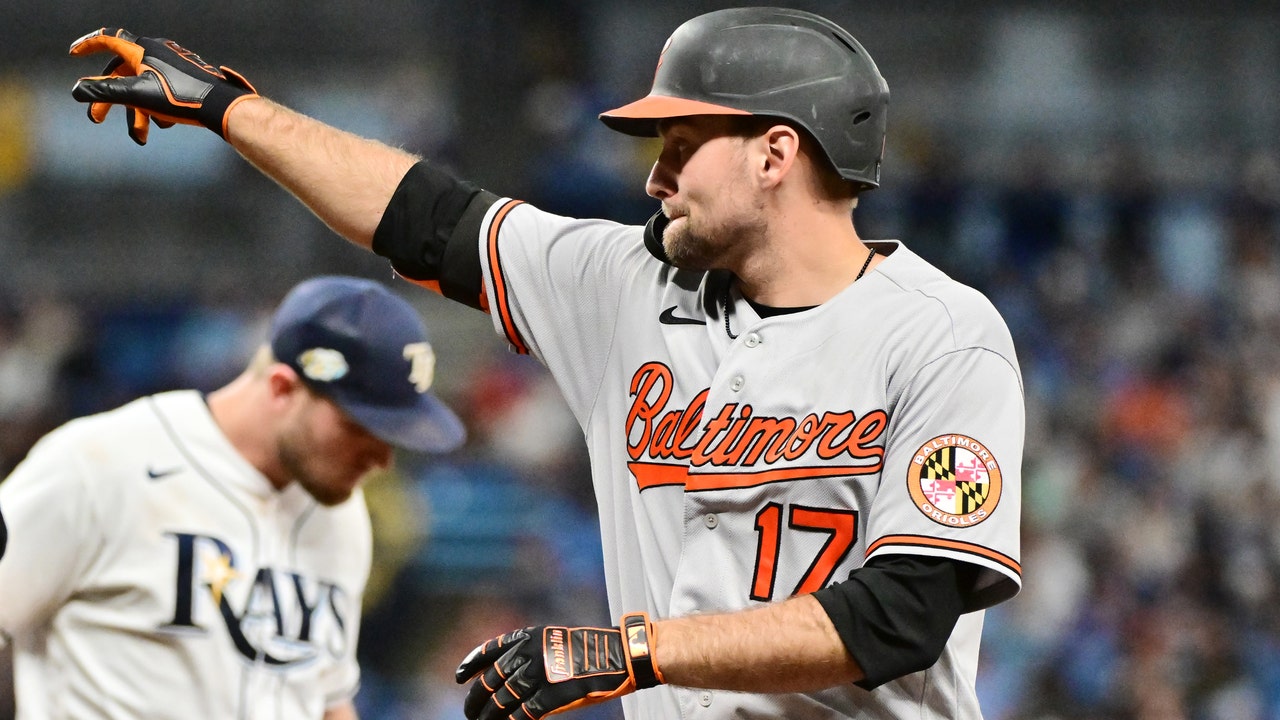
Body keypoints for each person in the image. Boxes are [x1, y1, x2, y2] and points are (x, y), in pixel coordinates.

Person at [66, 7, 1024, 719]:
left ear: (776, 154)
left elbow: (898, 620)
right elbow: (429, 219)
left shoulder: (943, 337)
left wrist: (633, 651)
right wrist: (231, 110)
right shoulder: (627, 284)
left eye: (682, 147)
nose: (654, 178)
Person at [0, 276, 465, 719]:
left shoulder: (340, 515)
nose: (381, 458)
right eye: (360, 427)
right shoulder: (100, 464)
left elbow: (325, 696)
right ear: (282, 388)